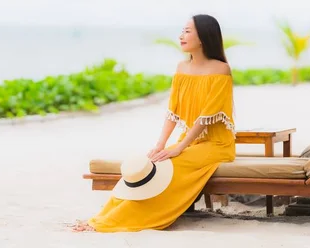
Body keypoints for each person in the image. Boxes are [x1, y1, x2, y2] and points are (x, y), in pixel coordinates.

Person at [72, 14, 236, 232]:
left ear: (204, 36)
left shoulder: (220, 70)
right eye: (182, 30)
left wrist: (178, 148)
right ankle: (101, 219)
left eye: (187, 31)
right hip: (191, 143)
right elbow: (172, 113)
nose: (181, 36)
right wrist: (161, 145)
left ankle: (113, 223)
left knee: (169, 167)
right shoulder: (182, 68)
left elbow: (204, 119)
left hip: (217, 146)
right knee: (151, 165)